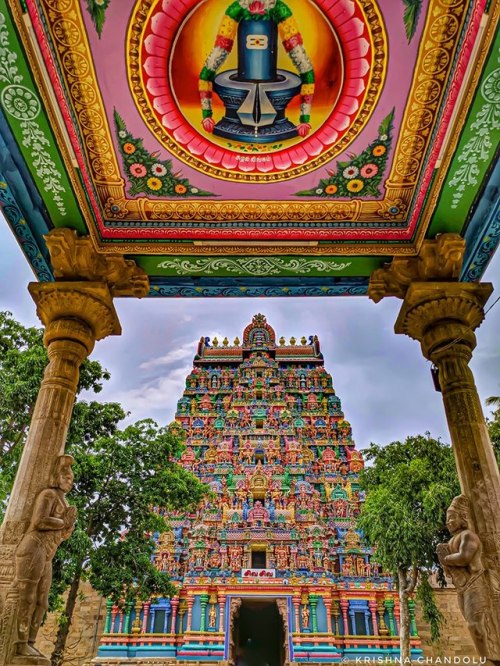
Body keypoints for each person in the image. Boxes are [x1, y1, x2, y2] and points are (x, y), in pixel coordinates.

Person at [14, 455, 76, 657]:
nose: (69, 481)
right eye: (66, 477)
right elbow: (39, 521)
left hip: (48, 552)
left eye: (71, 479)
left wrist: (68, 526)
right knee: (27, 596)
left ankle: (30, 642)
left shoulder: (63, 501)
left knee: (42, 601)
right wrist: (63, 523)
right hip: (34, 547)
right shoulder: (48, 495)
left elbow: (63, 534)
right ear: (57, 476)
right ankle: (18, 642)